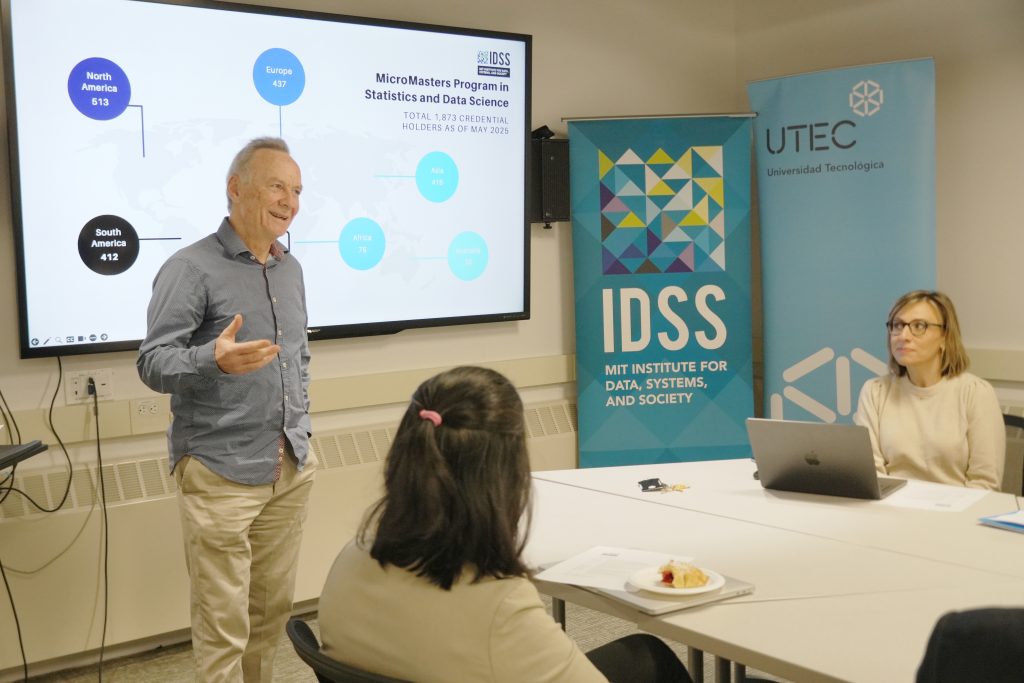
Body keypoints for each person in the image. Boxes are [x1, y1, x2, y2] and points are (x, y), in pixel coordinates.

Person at [318, 366, 693, 683]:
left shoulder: (350, 558)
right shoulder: (497, 606)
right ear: (506, 473)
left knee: (643, 656)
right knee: (655, 663)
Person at [137, 137, 315, 682]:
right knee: (223, 626)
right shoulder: (189, 268)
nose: (289, 201)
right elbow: (152, 362)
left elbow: (297, 360)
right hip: (219, 468)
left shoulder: (291, 269)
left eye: (298, 190)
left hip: (288, 463)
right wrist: (211, 360)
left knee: (269, 615)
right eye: (277, 186)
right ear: (236, 188)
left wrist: (301, 430)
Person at [854, 290, 1004, 490]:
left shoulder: (976, 393)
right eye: (897, 325)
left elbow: (985, 484)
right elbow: (871, 476)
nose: (903, 336)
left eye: (918, 326)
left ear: (944, 336)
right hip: (892, 513)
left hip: (956, 515)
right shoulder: (875, 392)